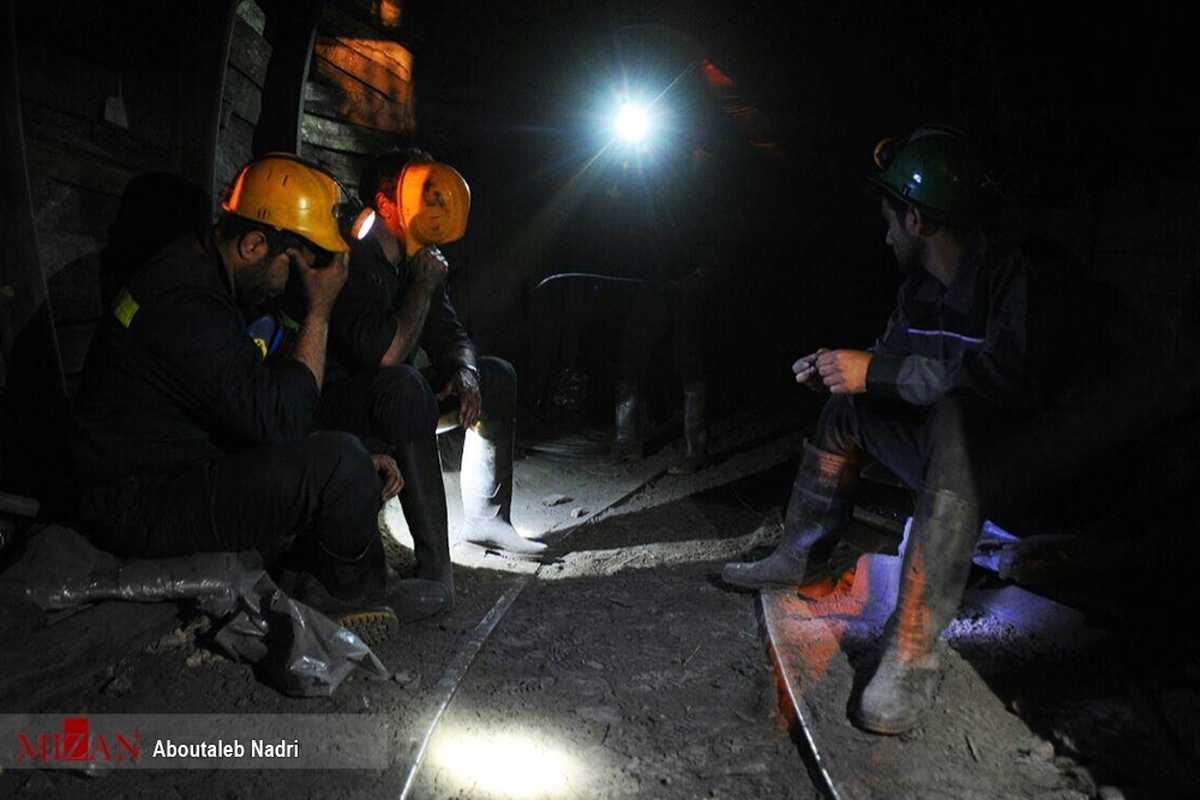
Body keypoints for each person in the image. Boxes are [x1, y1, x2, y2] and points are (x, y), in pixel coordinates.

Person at [722, 125, 1041, 734]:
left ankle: (914, 645)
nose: (885, 230)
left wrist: (880, 371)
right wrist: (840, 374)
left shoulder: (1010, 279)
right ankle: (799, 555)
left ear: (917, 221)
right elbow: (886, 373)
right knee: (847, 413)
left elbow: (1008, 383)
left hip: (1014, 474)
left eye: (891, 217)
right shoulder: (918, 293)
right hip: (948, 477)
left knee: (956, 417)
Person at [71, 153, 451, 642]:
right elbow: (283, 422)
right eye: (295, 267)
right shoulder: (186, 303)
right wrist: (318, 312)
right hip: (136, 504)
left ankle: (311, 578)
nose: (298, 283)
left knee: (344, 453)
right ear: (254, 244)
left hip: (175, 468)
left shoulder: (201, 276)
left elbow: (249, 407)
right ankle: (352, 598)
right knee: (339, 464)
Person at [301, 148, 547, 563]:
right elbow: (384, 357)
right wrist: (421, 286)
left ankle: (487, 521)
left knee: (495, 376)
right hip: (339, 409)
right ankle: (435, 563)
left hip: (399, 396)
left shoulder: (417, 259)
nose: (432, 201)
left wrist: (465, 370)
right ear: (385, 204)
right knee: (406, 386)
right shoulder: (350, 258)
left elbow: (451, 333)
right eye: (419, 190)